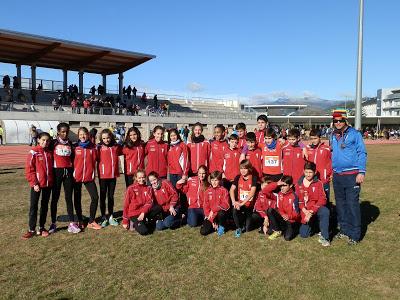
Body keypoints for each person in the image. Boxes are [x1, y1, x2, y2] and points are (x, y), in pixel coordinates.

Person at [330, 110, 367, 245]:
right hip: (337, 175)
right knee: (340, 204)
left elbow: (362, 152)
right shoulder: (332, 135)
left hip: (352, 175)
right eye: (335, 121)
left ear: (345, 121)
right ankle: (344, 230)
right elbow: (332, 154)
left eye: (340, 120)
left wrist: (361, 172)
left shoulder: (354, 134)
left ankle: (355, 234)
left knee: (352, 204)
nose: (338, 123)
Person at [22, 132, 53, 239]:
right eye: (43, 140)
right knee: (33, 207)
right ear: (38, 140)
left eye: (47, 140)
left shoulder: (49, 152)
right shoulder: (34, 152)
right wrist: (34, 183)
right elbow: (29, 169)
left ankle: (42, 227)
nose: (45, 142)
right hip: (37, 185)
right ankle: (31, 229)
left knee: (44, 206)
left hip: (48, 184)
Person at [49, 123, 79, 234]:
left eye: (66, 131)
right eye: (62, 131)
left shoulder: (70, 143)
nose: (65, 133)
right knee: (55, 198)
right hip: (57, 173)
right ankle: (53, 223)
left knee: (68, 198)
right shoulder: (53, 143)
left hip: (68, 173)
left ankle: (72, 223)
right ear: (58, 132)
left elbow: (73, 158)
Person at [73, 127, 102, 230]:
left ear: (88, 135)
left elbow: (99, 159)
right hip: (77, 177)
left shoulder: (93, 148)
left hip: (89, 177)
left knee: (95, 197)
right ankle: (80, 220)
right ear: (78, 135)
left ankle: (91, 221)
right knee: (77, 199)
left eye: (84, 134)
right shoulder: (75, 147)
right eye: (80, 134)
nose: (83, 136)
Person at [296, 162, 330, 247]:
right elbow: (299, 200)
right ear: (303, 171)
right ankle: (314, 225)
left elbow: (323, 199)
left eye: (310, 172)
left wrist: (311, 211)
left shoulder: (319, 183)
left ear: (315, 172)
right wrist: (305, 211)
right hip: (305, 210)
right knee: (304, 234)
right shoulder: (298, 184)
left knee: (325, 211)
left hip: (315, 209)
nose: (308, 174)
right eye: (306, 172)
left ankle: (325, 237)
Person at [122, 170, 163, 235]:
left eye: (143, 177)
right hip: (134, 213)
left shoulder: (148, 188)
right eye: (139, 178)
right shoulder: (130, 188)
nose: (141, 179)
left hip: (144, 212)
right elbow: (126, 205)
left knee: (159, 208)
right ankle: (134, 222)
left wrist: (143, 212)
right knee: (144, 231)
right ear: (136, 178)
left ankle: (146, 220)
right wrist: (125, 221)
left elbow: (150, 202)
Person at [97, 128, 123, 227]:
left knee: (111, 197)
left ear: (111, 137)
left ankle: (111, 216)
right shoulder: (98, 147)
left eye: (108, 138)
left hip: (113, 176)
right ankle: (104, 217)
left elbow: (126, 150)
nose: (106, 140)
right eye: (104, 138)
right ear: (101, 139)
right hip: (103, 176)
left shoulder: (116, 146)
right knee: (103, 197)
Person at [266, 176, 300, 241]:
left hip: (291, 220)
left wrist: (289, 216)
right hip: (282, 217)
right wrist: (283, 214)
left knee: (287, 238)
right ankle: (277, 230)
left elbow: (297, 213)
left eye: (284, 186)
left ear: (290, 186)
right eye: (281, 186)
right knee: (270, 210)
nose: (282, 188)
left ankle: (293, 229)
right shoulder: (279, 194)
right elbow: (278, 208)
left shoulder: (294, 196)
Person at [229, 160, 257, 237]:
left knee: (248, 229)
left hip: (249, 206)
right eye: (241, 168)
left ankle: (246, 222)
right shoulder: (238, 177)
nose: (243, 170)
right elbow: (231, 190)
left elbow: (252, 193)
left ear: (249, 169)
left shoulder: (254, 178)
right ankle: (238, 228)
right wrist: (234, 202)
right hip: (240, 204)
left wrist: (241, 204)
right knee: (234, 209)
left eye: (245, 168)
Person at [305, 128, 332, 202]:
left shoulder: (327, 149)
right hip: (310, 179)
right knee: (311, 200)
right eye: (311, 138)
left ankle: (327, 212)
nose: (313, 140)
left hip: (323, 179)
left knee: (325, 199)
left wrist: (329, 174)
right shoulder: (307, 149)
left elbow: (332, 162)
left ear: (320, 138)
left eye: (315, 138)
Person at [200, 171, 230, 236]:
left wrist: (213, 210)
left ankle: (222, 226)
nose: (214, 182)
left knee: (221, 213)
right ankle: (215, 226)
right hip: (211, 216)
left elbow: (226, 205)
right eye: (212, 180)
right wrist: (212, 219)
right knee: (203, 232)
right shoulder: (207, 191)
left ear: (220, 180)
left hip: (219, 215)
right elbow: (205, 206)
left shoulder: (224, 190)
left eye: (216, 180)